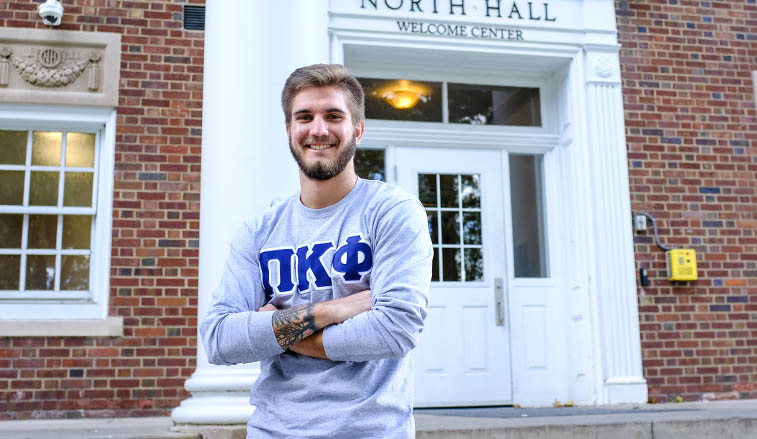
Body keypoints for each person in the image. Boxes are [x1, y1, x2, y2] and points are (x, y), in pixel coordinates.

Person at [201, 63, 433, 439]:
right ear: (290, 131)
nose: (318, 129)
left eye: (333, 116)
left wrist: (273, 330)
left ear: (357, 129)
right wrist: (334, 310)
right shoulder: (259, 230)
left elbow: (394, 331)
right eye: (304, 117)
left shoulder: (392, 213)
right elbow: (219, 340)